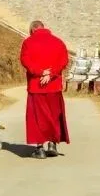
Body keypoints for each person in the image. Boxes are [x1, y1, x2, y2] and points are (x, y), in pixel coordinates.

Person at [20, 20, 70, 159]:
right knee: (54, 115)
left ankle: (40, 149)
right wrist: (51, 73)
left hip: (36, 86)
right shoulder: (58, 42)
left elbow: (25, 61)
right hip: (54, 86)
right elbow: (64, 60)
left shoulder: (28, 42)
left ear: (32, 30)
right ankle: (53, 144)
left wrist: (41, 72)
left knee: (37, 118)